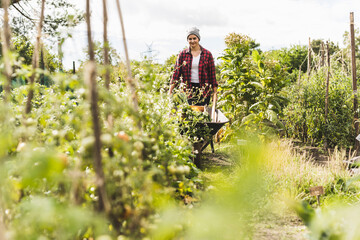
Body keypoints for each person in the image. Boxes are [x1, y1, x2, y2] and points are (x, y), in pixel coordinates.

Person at [169, 27, 218, 106]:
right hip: (188, 90)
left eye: (194, 38)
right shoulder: (183, 54)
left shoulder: (207, 54)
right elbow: (176, 73)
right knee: (189, 114)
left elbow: (212, 76)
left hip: (203, 90)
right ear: (187, 40)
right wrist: (170, 90)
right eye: (190, 39)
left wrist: (215, 93)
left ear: (198, 39)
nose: (192, 41)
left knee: (202, 114)